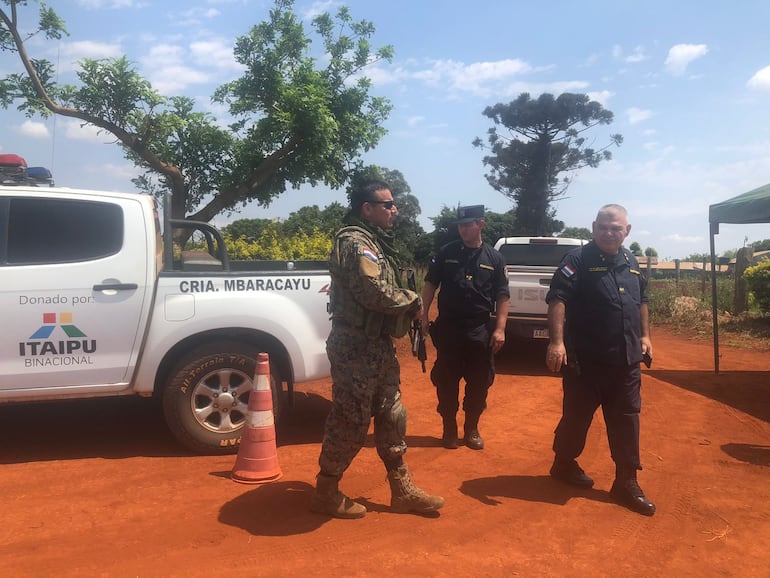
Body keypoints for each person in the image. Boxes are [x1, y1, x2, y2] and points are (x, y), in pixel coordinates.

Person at [311, 179, 445, 519]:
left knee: (392, 412)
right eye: (387, 204)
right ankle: (327, 489)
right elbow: (372, 292)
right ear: (366, 208)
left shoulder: (377, 243)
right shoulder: (356, 242)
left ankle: (402, 489)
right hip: (355, 345)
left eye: (393, 204)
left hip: (377, 345)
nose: (394, 209)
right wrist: (412, 300)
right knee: (351, 420)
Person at [545, 204, 656, 516]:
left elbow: (642, 300)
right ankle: (563, 463)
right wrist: (556, 342)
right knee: (576, 418)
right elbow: (558, 299)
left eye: (616, 228)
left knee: (627, 419)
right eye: (604, 227)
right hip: (586, 362)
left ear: (627, 231)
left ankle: (626, 481)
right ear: (594, 227)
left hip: (626, 361)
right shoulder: (577, 260)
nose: (609, 233)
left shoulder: (632, 261)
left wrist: (645, 336)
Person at [421, 205, 510, 450]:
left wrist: (500, 329)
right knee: (446, 381)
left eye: (468, 225)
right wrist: (424, 314)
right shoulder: (446, 253)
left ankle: (471, 428)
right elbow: (430, 284)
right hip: (449, 329)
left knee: (479, 382)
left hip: (480, 330)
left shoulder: (495, 258)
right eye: (460, 225)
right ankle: (449, 427)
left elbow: (503, 296)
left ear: (481, 224)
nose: (462, 229)